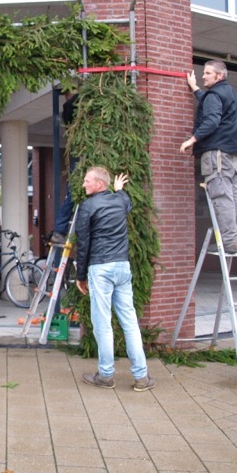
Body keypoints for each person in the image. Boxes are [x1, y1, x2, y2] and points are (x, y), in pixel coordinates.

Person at [74, 166, 155, 392]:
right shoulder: (120, 201)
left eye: (87, 180)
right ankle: (141, 377)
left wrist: (81, 276)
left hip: (101, 268)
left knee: (102, 323)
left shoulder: (87, 206)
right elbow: (127, 203)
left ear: (99, 184)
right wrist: (119, 190)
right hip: (122, 266)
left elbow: (83, 244)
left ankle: (106, 376)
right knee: (129, 322)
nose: (84, 184)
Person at [180, 60, 237, 255]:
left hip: (218, 155)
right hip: (235, 155)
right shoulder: (230, 93)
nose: (203, 76)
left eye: (208, 73)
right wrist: (195, 89)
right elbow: (212, 105)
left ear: (219, 76)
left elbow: (211, 120)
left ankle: (228, 243)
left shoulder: (213, 95)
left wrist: (191, 140)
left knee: (222, 198)